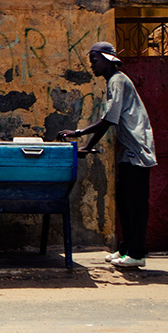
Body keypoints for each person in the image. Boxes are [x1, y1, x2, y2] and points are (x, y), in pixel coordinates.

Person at [59, 41, 157, 269]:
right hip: (129, 152)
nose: (92, 66)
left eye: (94, 61)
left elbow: (108, 120)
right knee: (124, 202)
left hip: (138, 153)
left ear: (106, 59)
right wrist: (85, 145)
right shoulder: (114, 81)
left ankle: (137, 253)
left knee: (135, 204)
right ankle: (125, 248)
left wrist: (79, 134)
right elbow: (109, 121)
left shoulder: (118, 80)